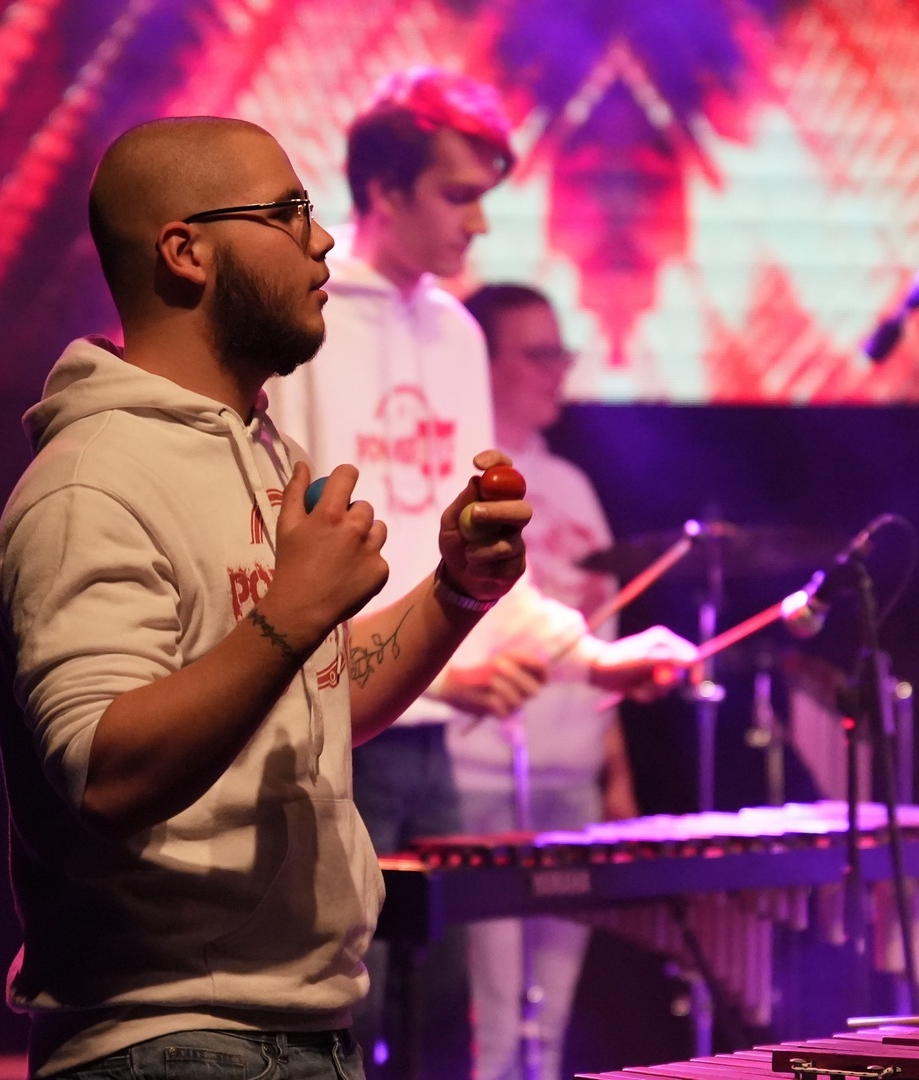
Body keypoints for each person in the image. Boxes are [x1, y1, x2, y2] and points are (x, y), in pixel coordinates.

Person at [0, 115, 535, 1080]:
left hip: (294, 1029)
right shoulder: (92, 482)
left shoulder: (264, 453)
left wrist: (455, 591)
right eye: (287, 213)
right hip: (168, 1042)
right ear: (186, 251)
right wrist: (290, 614)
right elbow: (106, 773)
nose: (320, 239)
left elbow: (314, 699)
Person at [264, 68, 695, 1076]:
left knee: (445, 1028)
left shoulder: (457, 334)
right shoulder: (305, 323)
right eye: (459, 195)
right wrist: (426, 673)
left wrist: (596, 660)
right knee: (341, 1022)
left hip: (431, 748)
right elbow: (283, 565)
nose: (481, 223)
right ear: (385, 190)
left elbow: (477, 571)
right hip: (338, 740)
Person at [446, 284, 636, 1080]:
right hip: (484, 780)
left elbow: (598, 646)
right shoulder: (456, 480)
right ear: (481, 364)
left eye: (563, 352)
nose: (560, 370)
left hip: (573, 785)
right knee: (495, 1027)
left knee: (549, 1027)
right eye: (539, 354)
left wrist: (615, 776)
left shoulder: (574, 485)